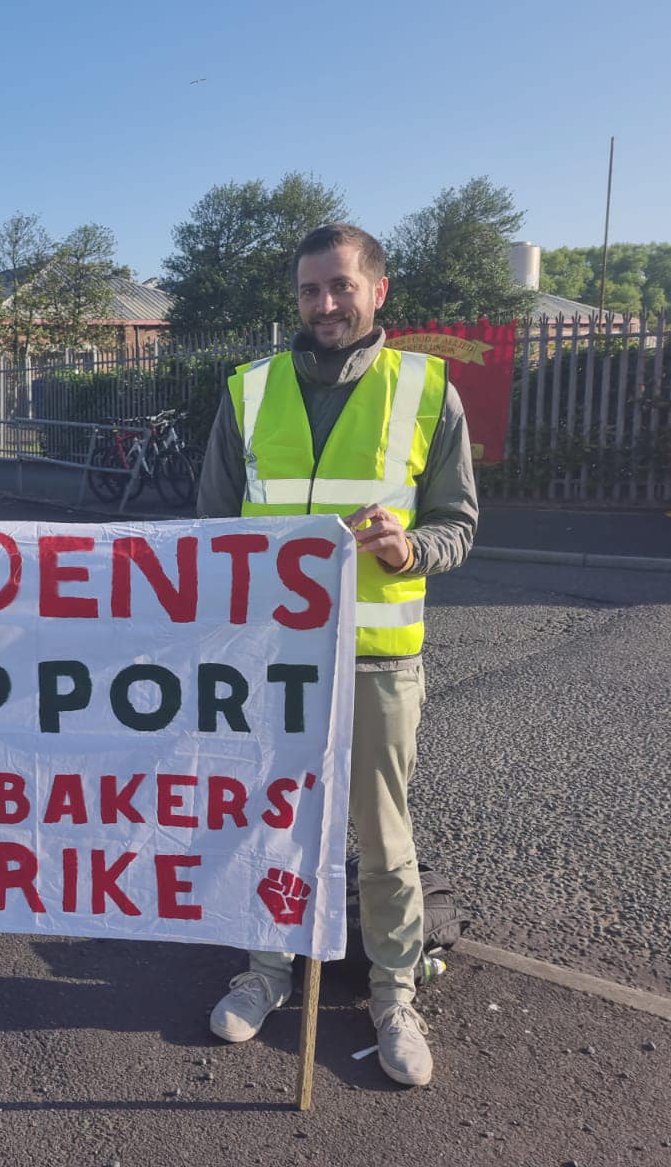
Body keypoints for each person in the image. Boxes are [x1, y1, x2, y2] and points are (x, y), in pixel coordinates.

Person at [195, 223, 477, 1086]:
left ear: (377, 291)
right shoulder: (247, 391)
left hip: (380, 661)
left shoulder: (429, 390)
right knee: (269, 822)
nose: (325, 304)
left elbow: (458, 527)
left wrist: (410, 550)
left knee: (382, 838)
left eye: (341, 287)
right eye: (311, 289)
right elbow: (208, 530)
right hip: (273, 662)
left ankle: (394, 996)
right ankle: (267, 971)